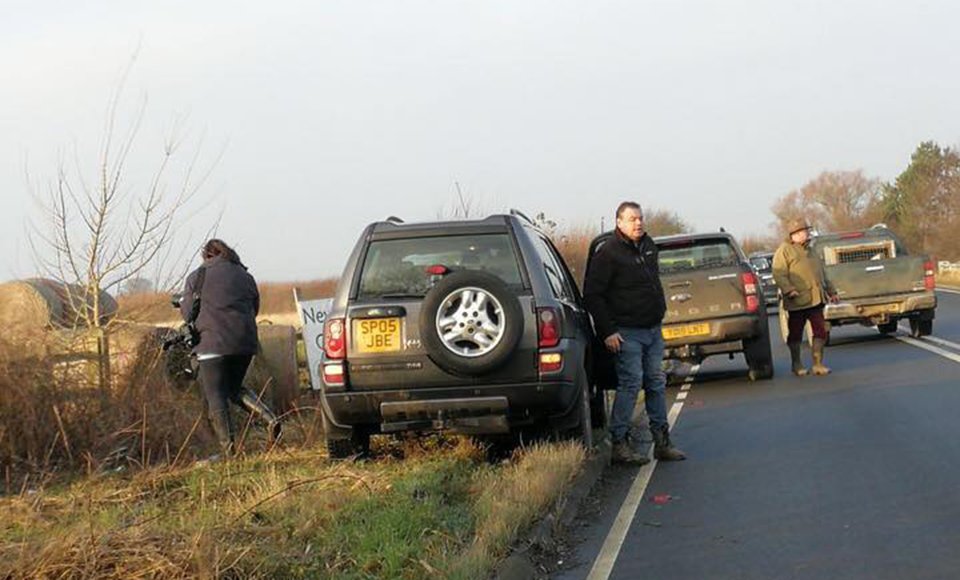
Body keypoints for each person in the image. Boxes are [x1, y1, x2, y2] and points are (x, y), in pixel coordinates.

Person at [584, 201, 686, 465]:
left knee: (656, 381)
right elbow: (593, 295)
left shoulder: (649, 246)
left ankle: (662, 442)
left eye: (640, 218)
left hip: (652, 329)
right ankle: (619, 444)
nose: (638, 223)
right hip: (626, 331)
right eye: (631, 219)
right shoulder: (608, 253)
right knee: (630, 384)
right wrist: (607, 331)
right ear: (619, 222)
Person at [180, 239, 281, 458]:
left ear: (206, 255)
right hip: (245, 344)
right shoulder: (245, 276)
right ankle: (270, 419)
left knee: (216, 395)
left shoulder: (197, 277)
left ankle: (230, 453)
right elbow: (254, 308)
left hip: (211, 345)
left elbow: (188, 314)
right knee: (233, 388)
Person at [772, 218, 837, 377]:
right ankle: (796, 363)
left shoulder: (812, 250)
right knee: (795, 333)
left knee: (820, 331)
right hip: (797, 300)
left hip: (816, 298)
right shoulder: (785, 250)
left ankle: (818, 363)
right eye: (799, 232)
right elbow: (778, 273)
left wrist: (831, 291)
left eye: (805, 231)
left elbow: (822, 273)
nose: (804, 235)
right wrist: (789, 290)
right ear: (792, 235)